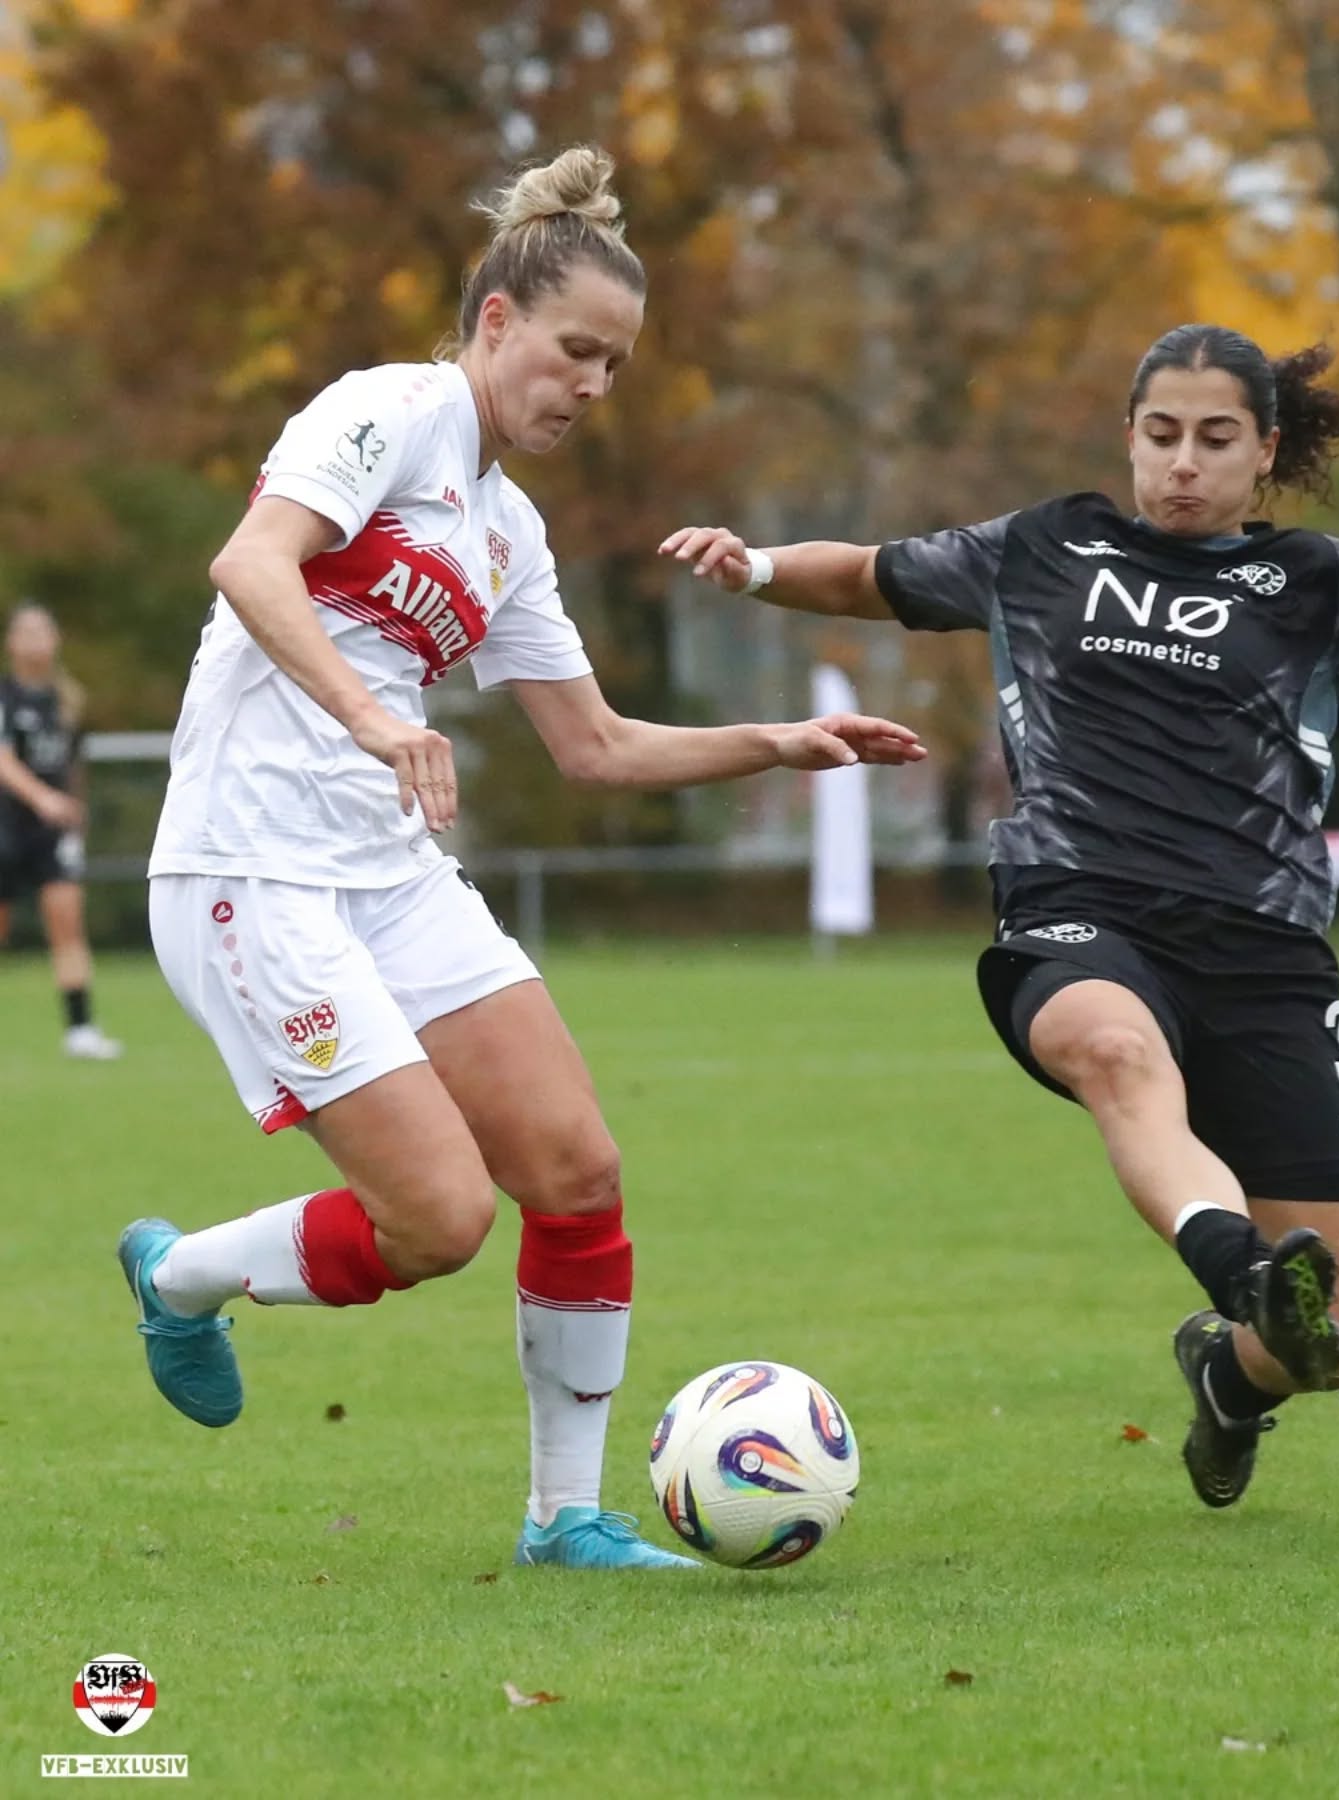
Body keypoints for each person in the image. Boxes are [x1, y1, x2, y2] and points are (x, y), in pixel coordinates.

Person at [121, 144, 925, 1570]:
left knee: (575, 1169)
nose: (590, 386)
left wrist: (777, 744)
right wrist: (378, 718)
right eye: (574, 351)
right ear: (496, 322)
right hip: (249, 870)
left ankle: (567, 1519)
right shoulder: (393, 409)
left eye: (613, 366)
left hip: (387, 875)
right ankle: (184, 1278)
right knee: (436, 1219)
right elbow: (250, 564)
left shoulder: (508, 530)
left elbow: (596, 748)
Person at [660, 322, 1339, 1510]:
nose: (1185, 462)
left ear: (1264, 449)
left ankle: (1229, 1377)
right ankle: (1234, 1268)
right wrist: (754, 567)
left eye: (1217, 439)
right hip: (1080, 912)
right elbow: (872, 575)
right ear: (1130, 436)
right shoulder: (1049, 547)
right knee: (1116, 1051)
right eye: (1163, 434)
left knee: (1328, 1343)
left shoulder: (1326, 590)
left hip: (1268, 956)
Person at [0, 603, 123, 1059]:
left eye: (43, 630)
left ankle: (81, 1029)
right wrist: (42, 799)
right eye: (25, 631)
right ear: (11, 643)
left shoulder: (67, 700)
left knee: (68, 925)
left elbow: (72, 766)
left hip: (53, 834)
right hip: (7, 826)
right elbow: (4, 761)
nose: (35, 639)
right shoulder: (6, 698)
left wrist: (74, 807)